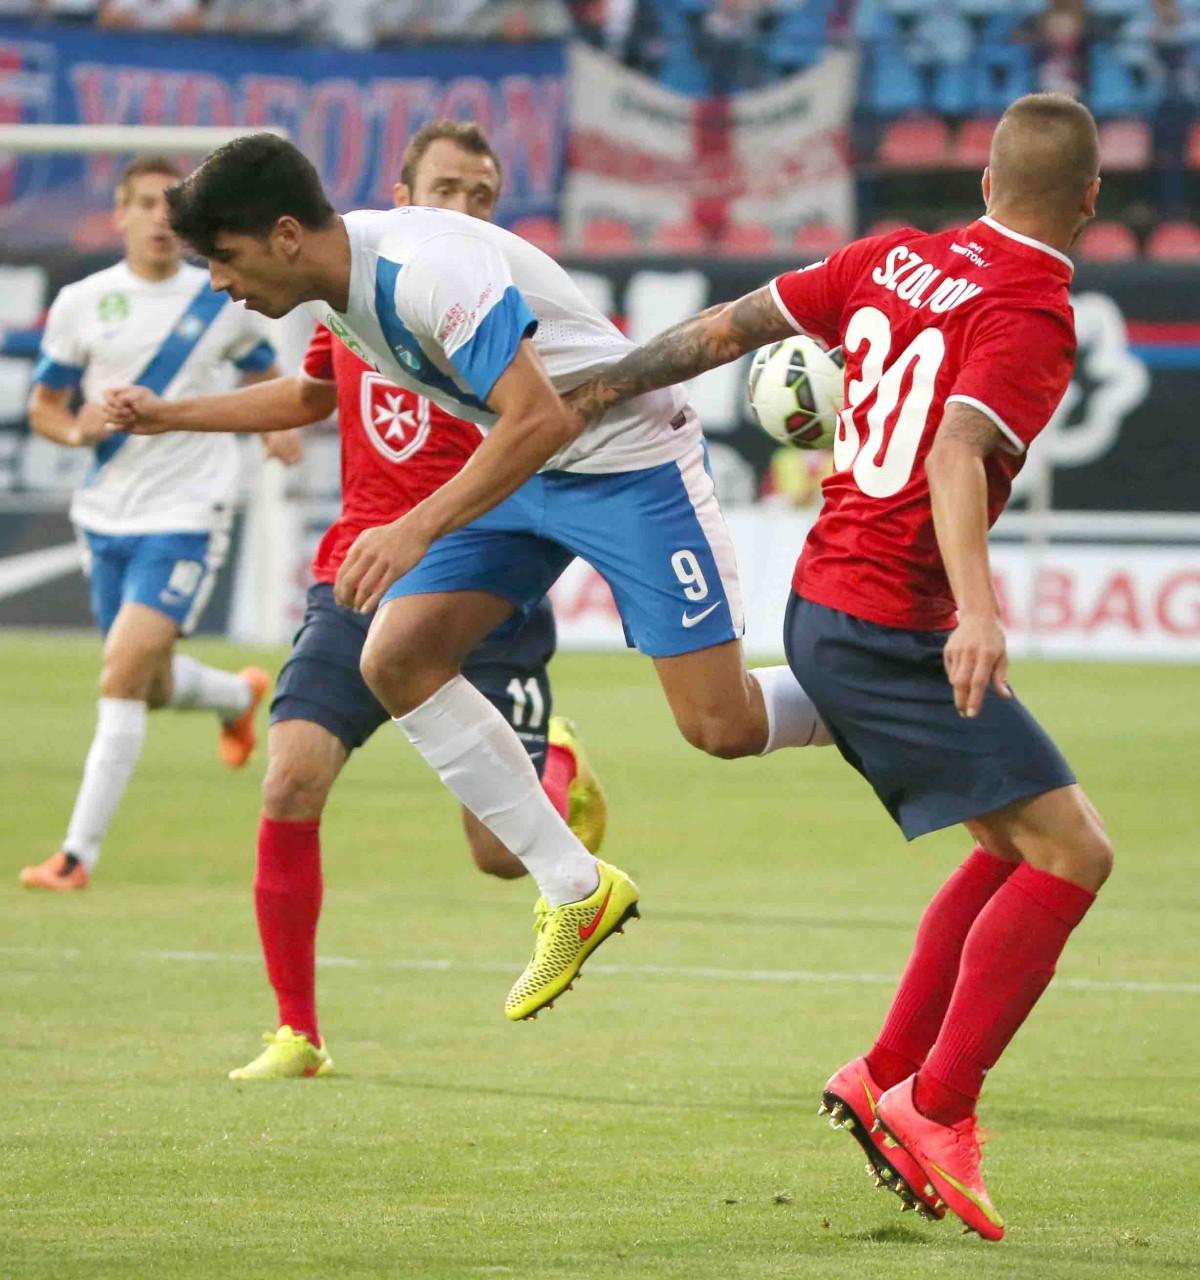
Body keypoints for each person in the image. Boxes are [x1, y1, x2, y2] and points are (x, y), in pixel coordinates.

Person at [105, 130, 832, 1025]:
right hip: (529, 467)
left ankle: (871, 682)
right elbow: (452, 417)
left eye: (225, 256)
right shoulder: (336, 288)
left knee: (722, 726)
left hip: (630, 464)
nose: (220, 280)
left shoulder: (425, 272)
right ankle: (575, 889)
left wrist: (413, 528)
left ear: (285, 235)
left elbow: (539, 416)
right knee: (395, 656)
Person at [562, 93, 1114, 1241]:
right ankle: (937, 1106)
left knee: (1012, 843)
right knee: (1073, 852)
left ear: (985, 183)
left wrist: (600, 386)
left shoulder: (889, 258)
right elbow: (957, 452)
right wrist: (978, 614)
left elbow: (725, 330)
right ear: (1092, 199)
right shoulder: (1031, 305)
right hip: (889, 622)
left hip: (828, 599)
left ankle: (884, 1072)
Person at [105, 122, 607, 1080]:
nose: (466, 210)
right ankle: (297, 1032)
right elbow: (308, 399)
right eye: (448, 190)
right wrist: (173, 415)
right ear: (400, 197)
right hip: (360, 574)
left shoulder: (487, 303)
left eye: (483, 195)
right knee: (289, 779)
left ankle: (557, 763)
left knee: (499, 857)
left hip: (475, 578)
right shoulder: (349, 294)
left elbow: (540, 424)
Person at [19, 154, 296, 893]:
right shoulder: (83, 302)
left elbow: (267, 373)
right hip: (105, 515)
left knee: (120, 672)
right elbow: (45, 407)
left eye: (169, 207)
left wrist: (277, 428)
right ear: (119, 214)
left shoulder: (219, 298)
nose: (158, 219)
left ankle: (76, 857)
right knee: (144, 680)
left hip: (188, 513)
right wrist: (75, 431)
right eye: (143, 203)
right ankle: (236, 698)